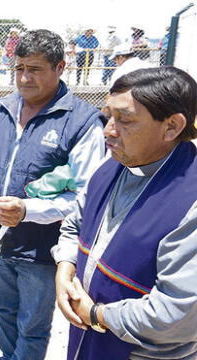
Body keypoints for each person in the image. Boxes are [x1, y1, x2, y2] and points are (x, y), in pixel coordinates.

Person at [0, 29, 105, 359]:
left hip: (41, 252)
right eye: (19, 68)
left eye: (35, 69)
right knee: (3, 315)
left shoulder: (82, 122)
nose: (24, 78)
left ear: (60, 68)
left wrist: (27, 211)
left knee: (32, 327)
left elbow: (84, 198)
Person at [53, 66, 197, 359]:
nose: (108, 130)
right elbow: (75, 225)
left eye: (125, 120)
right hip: (87, 342)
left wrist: (96, 314)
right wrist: (65, 270)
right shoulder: (113, 165)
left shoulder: (190, 199)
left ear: (172, 126)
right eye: (108, 116)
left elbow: (177, 312)